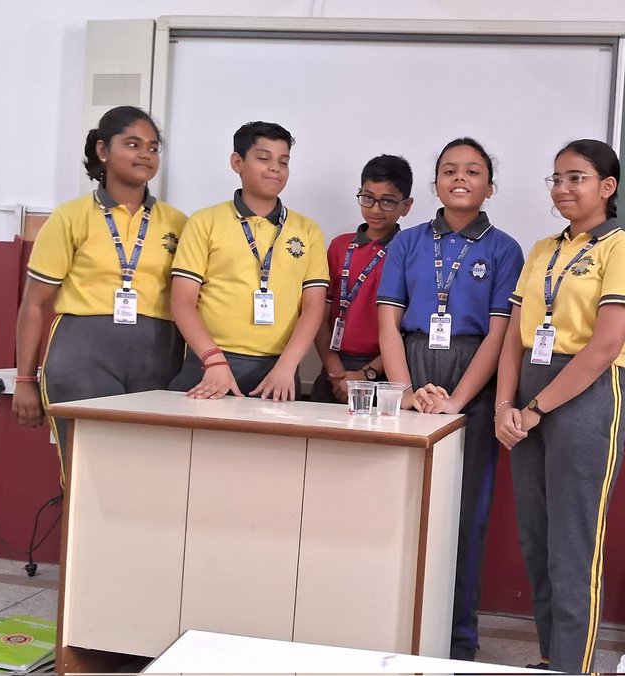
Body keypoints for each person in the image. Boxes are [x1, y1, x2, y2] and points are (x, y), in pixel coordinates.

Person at [494, 139, 625, 673]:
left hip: (584, 398)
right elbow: (514, 335)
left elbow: (605, 346)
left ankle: (572, 666)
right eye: (556, 178)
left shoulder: (622, 248)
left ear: (607, 187)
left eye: (576, 178)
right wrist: (503, 406)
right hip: (527, 397)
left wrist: (535, 408)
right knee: (535, 539)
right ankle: (546, 657)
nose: (562, 188)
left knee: (572, 544)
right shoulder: (543, 250)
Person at [377, 137, 524, 660]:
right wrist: (409, 394)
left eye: (474, 171)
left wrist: (457, 402)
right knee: (397, 508)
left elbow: (499, 334)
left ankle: (457, 641)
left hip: (473, 386)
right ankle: (389, 629)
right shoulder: (408, 242)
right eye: (448, 170)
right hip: (411, 373)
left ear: (489, 184)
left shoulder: (505, 249)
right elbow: (388, 323)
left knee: (466, 516)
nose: (460, 178)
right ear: (435, 181)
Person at [13, 106, 188, 482]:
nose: (145, 154)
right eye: (133, 144)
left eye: (153, 147)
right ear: (103, 151)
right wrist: (25, 381)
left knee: (147, 476)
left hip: (157, 358)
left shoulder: (178, 223)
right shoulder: (70, 217)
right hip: (83, 357)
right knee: (86, 475)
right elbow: (33, 304)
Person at [168, 121, 327, 399]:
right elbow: (182, 300)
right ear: (237, 162)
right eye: (264, 158)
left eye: (283, 161)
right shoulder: (205, 222)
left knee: (273, 444)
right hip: (211, 365)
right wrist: (213, 359)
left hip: (279, 370)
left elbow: (313, 306)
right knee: (197, 442)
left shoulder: (307, 230)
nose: (275, 168)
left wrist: (288, 365)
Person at [311, 155, 414, 403]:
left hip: (385, 373)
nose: (376, 209)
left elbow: (406, 330)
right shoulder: (339, 246)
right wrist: (335, 370)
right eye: (368, 198)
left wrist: (366, 374)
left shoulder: (410, 250)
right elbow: (318, 315)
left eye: (387, 202)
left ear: (406, 206)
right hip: (333, 368)